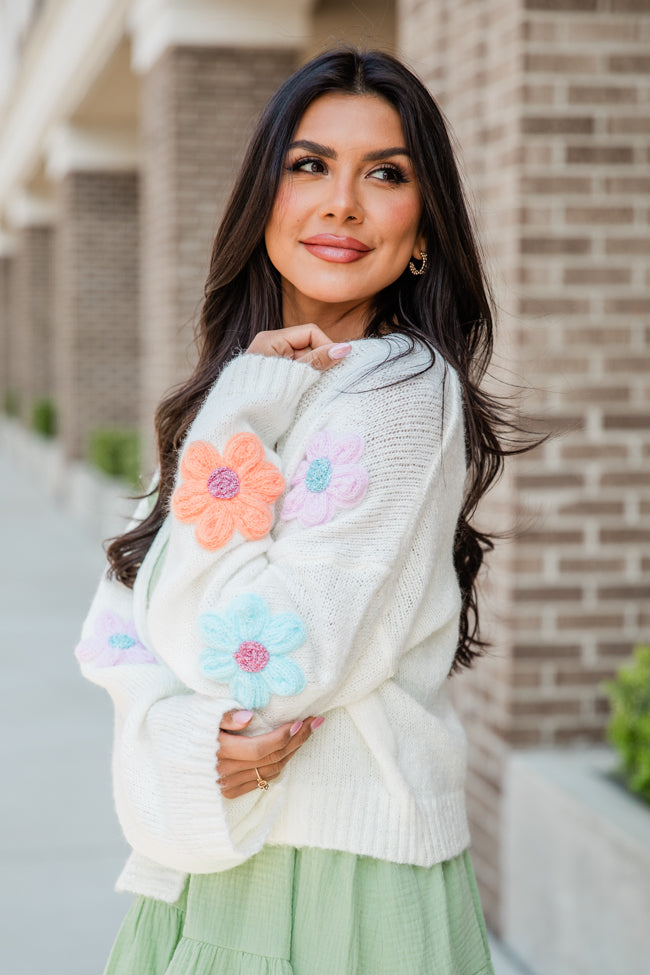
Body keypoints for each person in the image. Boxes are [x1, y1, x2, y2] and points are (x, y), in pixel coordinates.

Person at [74, 47, 510, 974]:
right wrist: (195, 742)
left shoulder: (400, 389)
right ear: (263, 200)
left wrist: (239, 407)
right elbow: (117, 624)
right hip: (214, 861)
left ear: (423, 228)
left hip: (343, 879)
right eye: (309, 165)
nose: (342, 203)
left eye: (385, 174)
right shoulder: (251, 388)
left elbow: (265, 661)